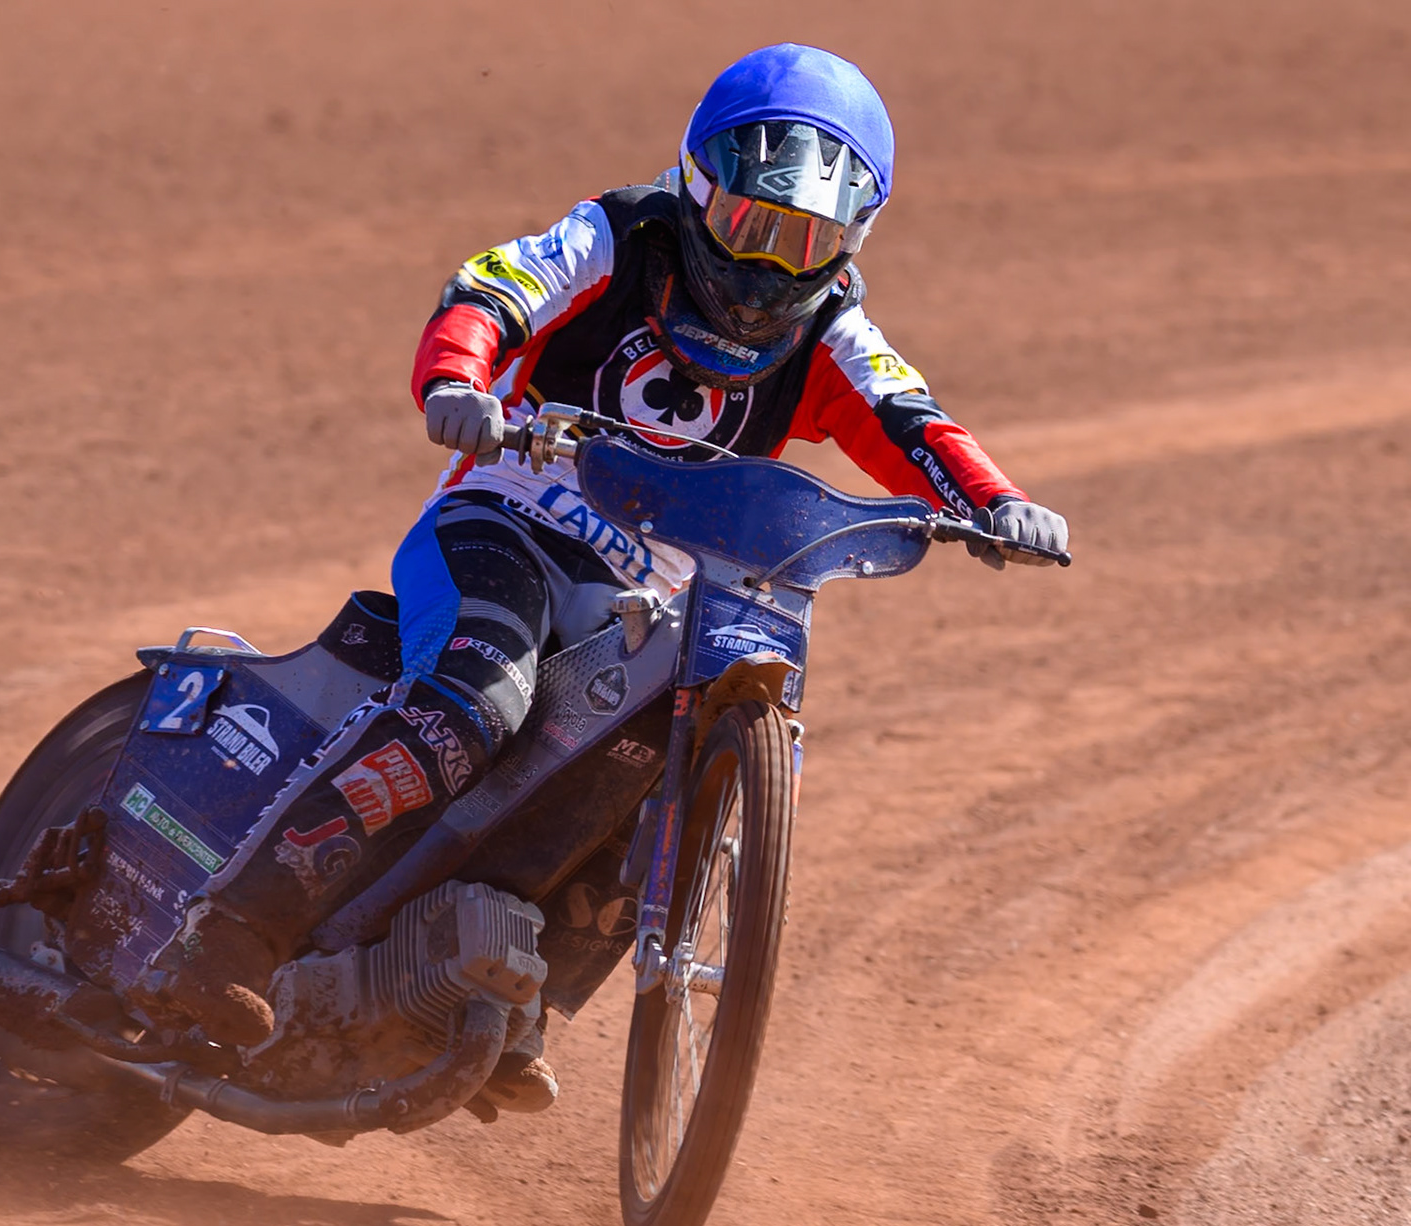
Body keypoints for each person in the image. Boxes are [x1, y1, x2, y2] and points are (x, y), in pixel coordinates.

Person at [150, 44, 1068, 1108]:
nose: (769, 267)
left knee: (656, 759)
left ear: (851, 242)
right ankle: (230, 931)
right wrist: (458, 377)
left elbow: (913, 418)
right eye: (750, 226)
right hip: (509, 520)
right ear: (697, 183)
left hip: (653, 601)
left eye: (804, 242)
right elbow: (494, 290)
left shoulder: (832, 332)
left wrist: (994, 501)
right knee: (477, 693)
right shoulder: (617, 235)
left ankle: (514, 998)